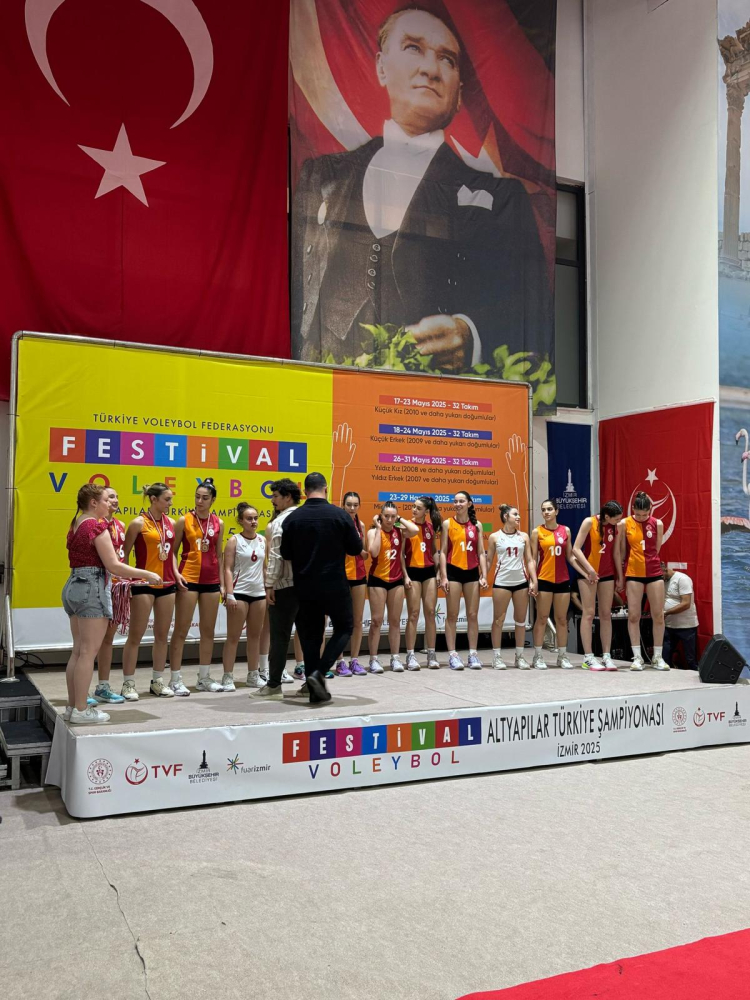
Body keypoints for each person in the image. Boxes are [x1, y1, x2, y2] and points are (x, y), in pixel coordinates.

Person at [291, 6, 550, 373]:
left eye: (447, 59)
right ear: (381, 67)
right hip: (329, 392)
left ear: (459, 94)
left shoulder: (503, 201)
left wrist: (471, 334)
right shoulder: (321, 178)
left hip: (430, 401)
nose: (430, 69)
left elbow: (532, 313)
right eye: (413, 47)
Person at [62, 484, 160, 724]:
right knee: (87, 652)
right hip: (91, 586)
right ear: (94, 503)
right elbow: (114, 565)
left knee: (78, 651)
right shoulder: (97, 526)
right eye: (106, 499)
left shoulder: (77, 524)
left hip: (74, 584)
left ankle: (73, 707)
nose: (111, 504)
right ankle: (82, 710)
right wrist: (147, 574)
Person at [280, 472, 363, 703]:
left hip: (304, 585)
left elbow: (285, 553)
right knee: (345, 627)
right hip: (334, 583)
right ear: (325, 489)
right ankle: (319, 673)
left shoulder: (293, 519)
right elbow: (356, 549)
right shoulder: (340, 515)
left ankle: (313, 687)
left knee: (311, 636)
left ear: (305, 491)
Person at [120, 483, 186, 700]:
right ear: (153, 499)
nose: (170, 503)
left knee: (162, 636)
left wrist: (176, 573)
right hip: (143, 584)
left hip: (167, 584)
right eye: (167, 499)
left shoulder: (171, 523)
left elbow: (172, 553)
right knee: (135, 636)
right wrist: (126, 581)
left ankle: (157, 681)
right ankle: (128, 684)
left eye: (171, 499)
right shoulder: (138, 523)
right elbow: (124, 554)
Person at [169, 479, 225, 694]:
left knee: (208, 631)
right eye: (197, 496)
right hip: (188, 579)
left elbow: (218, 555)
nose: (200, 501)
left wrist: (222, 583)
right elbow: (172, 552)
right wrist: (176, 574)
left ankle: (204, 678)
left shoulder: (218, 522)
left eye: (205, 498)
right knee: (181, 630)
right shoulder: (184, 520)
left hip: (211, 581)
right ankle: (175, 679)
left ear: (213, 500)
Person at [255, 479, 302, 700]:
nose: (272, 500)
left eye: (275, 496)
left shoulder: (279, 521)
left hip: (284, 587)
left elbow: (275, 557)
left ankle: (274, 685)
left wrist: (269, 584)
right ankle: (312, 683)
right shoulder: (307, 517)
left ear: (287, 497)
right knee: (309, 637)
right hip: (309, 587)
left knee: (280, 637)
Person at [615, 491, 668, 671]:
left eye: (645, 515)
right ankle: (637, 657)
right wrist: (621, 577)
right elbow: (622, 551)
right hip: (633, 573)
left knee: (658, 615)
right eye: (638, 514)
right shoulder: (624, 524)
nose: (641, 517)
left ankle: (657, 657)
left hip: (654, 572)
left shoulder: (657, 524)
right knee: (633, 615)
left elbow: (656, 549)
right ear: (633, 509)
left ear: (650, 510)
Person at [530, 499, 585, 670]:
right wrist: (533, 580)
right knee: (542, 618)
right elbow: (533, 559)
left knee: (561, 619)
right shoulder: (536, 532)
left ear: (556, 511)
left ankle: (562, 656)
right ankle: (538, 656)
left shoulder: (565, 530)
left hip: (562, 580)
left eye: (549, 509)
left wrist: (586, 572)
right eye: (543, 510)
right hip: (544, 579)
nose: (546, 512)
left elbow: (570, 557)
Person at [572, 501, 624, 671]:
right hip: (588, 573)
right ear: (606, 516)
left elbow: (616, 552)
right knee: (588, 613)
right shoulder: (589, 522)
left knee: (606, 614)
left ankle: (606, 656)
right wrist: (589, 570)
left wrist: (620, 576)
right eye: (616, 519)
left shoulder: (617, 527)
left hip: (607, 573)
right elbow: (576, 549)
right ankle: (588, 657)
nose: (619, 521)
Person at [439, 491, 487, 670]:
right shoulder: (447, 523)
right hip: (453, 572)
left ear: (469, 504)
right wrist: (443, 576)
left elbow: (481, 552)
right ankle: (453, 655)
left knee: (472, 615)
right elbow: (443, 551)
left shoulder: (477, 525)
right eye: (455, 501)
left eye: (461, 501)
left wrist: (483, 575)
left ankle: (473, 654)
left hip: (471, 573)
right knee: (452, 615)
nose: (458, 504)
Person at [367, 502, 417, 672]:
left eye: (392, 516)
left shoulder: (400, 531)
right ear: (380, 516)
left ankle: (395, 658)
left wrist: (400, 519)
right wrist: (378, 528)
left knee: (395, 621)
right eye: (386, 516)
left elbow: (414, 530)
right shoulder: (373, 532)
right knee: (376, 621)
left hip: (396, 580)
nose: (389, 519)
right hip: (378, 579)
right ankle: (373, 659)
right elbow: (373, 552)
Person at [222, 503, 267, 690]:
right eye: (249, 518)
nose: (253, 521)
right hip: (239, 593)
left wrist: (268, 589)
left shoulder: (263, 540)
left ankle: (253, 675)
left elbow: (264, 568)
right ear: (240, 521)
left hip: (259, 594)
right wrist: (229, 594)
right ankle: (227, 676)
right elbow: (227, 568)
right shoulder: (234, 541)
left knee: (255, 636)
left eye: (255, 518)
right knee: (233, 637)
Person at [487, 504, 537, 670]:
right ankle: (496, 657)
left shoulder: (524, 536)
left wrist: (533, 580)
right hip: (502, 582)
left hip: (521, 582)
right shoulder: (495, 537)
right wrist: (483, 576)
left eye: (519, 515)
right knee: (498, 620)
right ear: (505, 517)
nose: (518, 517)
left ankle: (520, 656)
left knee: (521, 621)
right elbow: (489, 560)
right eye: (515, 514)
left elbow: (529, 560)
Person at [93, 486, 126, 705]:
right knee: (91, 642)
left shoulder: (120, 525)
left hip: (116, 588)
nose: (114, 500)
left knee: (108, 639)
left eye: (116, 496)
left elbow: (123, 557)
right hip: (98, 585)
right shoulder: (94, 525)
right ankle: (81, 690)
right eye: (110, 497)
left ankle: (103, 686)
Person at [404, 496, 441, 669]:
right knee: (413, 613)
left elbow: (434, 550)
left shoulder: (430, 527)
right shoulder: (406, 526)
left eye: (418, 508)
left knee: (431, 612)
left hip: (429, 572)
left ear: (426, 511)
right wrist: (405, 575)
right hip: (412, 571)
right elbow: (401, 553)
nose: (414, 510)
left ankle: (431, 654)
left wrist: (438, 572)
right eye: (413, 506)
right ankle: (410, 655)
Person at [335, 491, 369, 676]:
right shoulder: (336, 524)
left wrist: (362, 551)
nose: (352, 508)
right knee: (341, 620)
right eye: (349, 504)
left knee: (357, 620)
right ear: (343, 505)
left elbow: (363, 553)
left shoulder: (361, 525)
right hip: (340, 575)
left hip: (359, 575)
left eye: (355, 505)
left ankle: (354, 660)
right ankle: (340, 661)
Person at [662, 562, 699, 669]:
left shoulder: (682, 579)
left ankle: (694, 676)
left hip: (686, 626)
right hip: (669, 626)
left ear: (665, 569)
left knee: (690, 659)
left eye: (660, 575)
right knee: (665, 658)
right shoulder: (662, 581)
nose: (659, 578)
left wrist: (666, 612)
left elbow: (686, 604)